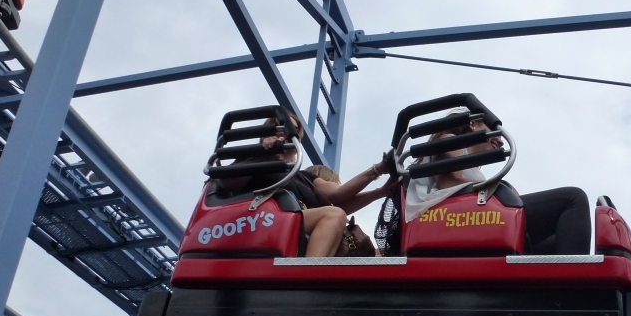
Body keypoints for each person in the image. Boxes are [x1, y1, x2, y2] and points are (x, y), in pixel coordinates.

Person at [408, 112, 591, 254]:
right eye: (493, 130)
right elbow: (450, 184)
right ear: (473, 123)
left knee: (557, 239)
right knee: (573, 199)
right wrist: (498, 187)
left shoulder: (468, 164)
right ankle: (576, 287)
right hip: (463, 217)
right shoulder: (449, 141)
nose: (500, 140)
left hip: (476, 216)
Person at [217, 111, 393, 257]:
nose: (289, 132)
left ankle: (314, 268)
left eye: (294, 129)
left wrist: (380, 180)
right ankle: (308, 272)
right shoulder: (253, 160)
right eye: (283, 126)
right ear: (269, 131)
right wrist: (263, 155)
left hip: (293, 223)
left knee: (336, 215)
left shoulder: (305, 177)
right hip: (259, 221)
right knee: (333, 215)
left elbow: (338, 196)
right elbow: (226, 183)